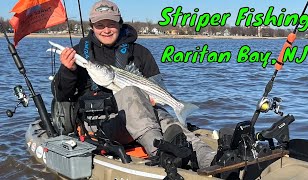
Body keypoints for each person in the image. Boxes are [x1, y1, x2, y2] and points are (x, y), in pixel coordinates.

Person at [52, 0, 216, 169]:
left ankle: (208, 158)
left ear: (120, 24)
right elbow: (61, 95)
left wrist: (156, 99)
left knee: (168, 120)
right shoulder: (79, 54)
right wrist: (68, 70)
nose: (106, 30)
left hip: (145, 114)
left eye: (111, 24)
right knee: (131, 92)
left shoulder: (140, 53)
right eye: (100, 25)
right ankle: (160, 154)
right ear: (92, 27)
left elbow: (158, 86)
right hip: (101, 125)